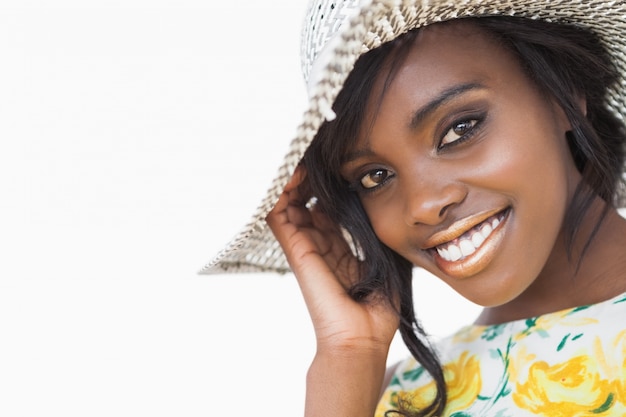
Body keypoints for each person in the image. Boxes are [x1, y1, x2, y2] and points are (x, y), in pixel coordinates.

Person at [202, 0, 626, 416]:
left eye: (459, 129)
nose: (422, 205)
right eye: (375, 177)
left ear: (562, 91)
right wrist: (349, 354)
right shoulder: (396, 399)